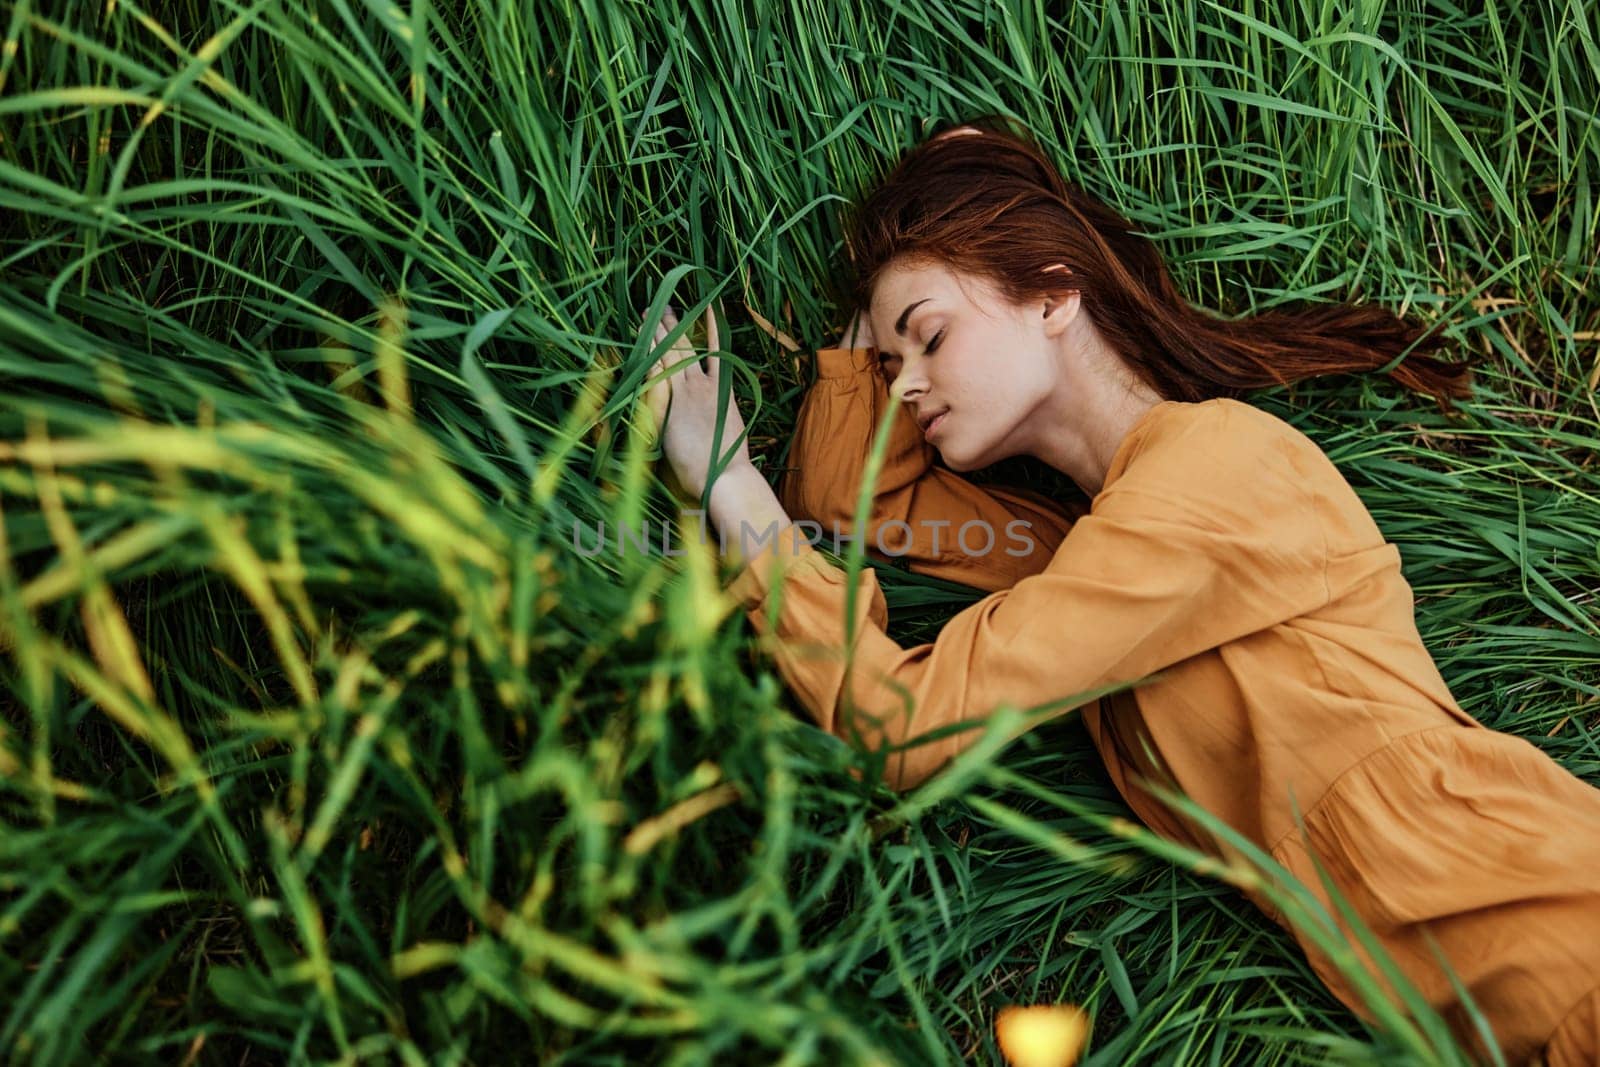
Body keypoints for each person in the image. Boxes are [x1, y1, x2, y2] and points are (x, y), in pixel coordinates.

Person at [638, 116, 1600, 1065]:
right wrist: (870, 347)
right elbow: (849, 502)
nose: (904, 387)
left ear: (1055, 297)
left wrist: (728, 483)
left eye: (930, 339)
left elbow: (905, 727)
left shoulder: (1212, 473)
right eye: (894, 365)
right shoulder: (1094, 545)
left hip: (1559, 942)